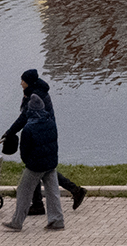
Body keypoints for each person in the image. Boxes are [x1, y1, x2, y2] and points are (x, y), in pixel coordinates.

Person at [6, 69, 87, 212]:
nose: (21, 83)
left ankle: (40, 203)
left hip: (40, 134)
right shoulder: (36, 91)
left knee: (36, 167)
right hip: (45, 131)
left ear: (29, 82)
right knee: (42, 168)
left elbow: (24, 117)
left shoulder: (35, 96)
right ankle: (72, 191)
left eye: (23, 80)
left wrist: (10, 132)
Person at [1, 93, 63, 230]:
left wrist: (28, 162)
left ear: (30, 110)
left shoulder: (28, 128)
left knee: (23, 191)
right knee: (53, 192)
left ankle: (17, 222)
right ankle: (57, 221)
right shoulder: (51, 122)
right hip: (51, 163)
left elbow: (24, 150)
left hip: (35, 166)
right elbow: (54, 143)